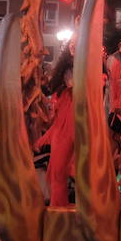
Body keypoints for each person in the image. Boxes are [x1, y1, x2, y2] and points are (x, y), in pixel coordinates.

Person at [34, 49, 75, 207]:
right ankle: (58, 205)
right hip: (66, 119)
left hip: (71, 117)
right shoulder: (67, 84)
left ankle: (59, 205)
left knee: (58, 169)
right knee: (56, 169)